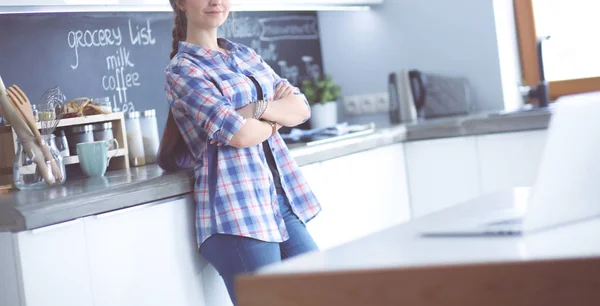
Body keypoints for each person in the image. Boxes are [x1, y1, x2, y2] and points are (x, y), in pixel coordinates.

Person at [160, 0, 322, 304]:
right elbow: (239, 133)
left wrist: (257, 110)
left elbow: (300, 106)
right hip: (238, 214)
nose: (215, 1)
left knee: (324, 293)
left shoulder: (245, 55)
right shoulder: (182, 70)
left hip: (278, 202)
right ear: (180, 2)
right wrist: (276, 120)